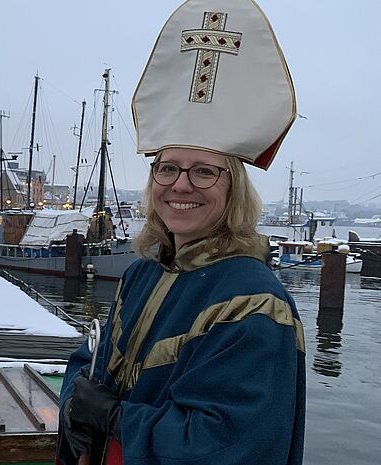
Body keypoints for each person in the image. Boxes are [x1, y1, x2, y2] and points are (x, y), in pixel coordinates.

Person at [56, 2, 305, 465]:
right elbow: (90, 359)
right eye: (167, 168)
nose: (181, 185)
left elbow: (228, 445)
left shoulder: (253, 305)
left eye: (205, 172)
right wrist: (75, 402)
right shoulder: (142, 274)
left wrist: (114, 419)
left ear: (233, 190)